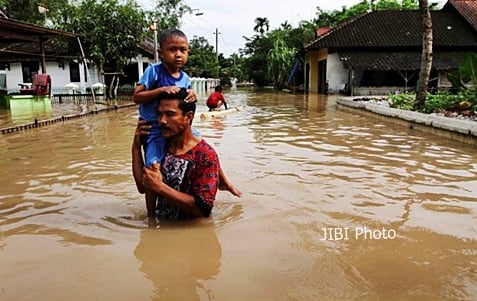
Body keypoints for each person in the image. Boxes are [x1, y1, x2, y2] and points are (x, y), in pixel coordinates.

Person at [132, 88, 221, 219]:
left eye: (170, 114)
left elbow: (203, 210)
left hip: (190, 233)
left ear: (188, 117)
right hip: (162, 229)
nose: (162, 121)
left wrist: (160, 187)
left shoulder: (204, 154)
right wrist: (135, 148)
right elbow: (143, 187)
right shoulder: (160, 148)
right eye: (159, 114)